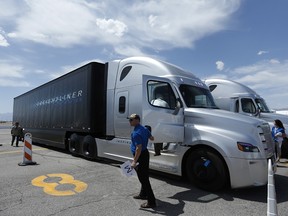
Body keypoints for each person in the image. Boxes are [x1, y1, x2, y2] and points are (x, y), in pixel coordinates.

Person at [128, 113, 156, 208]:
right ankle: (143, 194)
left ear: (137, 120)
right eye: (129, 120)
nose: (130, 121)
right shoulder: (144, 129)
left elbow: (138, 148)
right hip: (145, 154)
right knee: (143, 175)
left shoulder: (136, 133)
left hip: (140, 156)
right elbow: (152, 138)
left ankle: (151, 202)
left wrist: (134, 161)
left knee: (144, 179)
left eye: (131, 120)